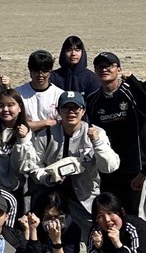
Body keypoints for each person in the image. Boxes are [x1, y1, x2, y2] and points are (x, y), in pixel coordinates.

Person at [25, 91, 120, 235]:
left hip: (85, 197)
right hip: (52, 198)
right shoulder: (46, 135)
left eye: (75, 108)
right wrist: (48, 177)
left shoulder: (96, 133)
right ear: (58, 111)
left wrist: (97, 143)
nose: (71, 112)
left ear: (83, 111)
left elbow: (109, 167)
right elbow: (34, 166)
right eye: (66, 108)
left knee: (93, 234)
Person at [85, 51, 146, 218]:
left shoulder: (131, 92)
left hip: (133, 169)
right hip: (108, 169)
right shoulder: (93, 100)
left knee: (135, 217)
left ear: (119, 69)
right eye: (100, 66)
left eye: (109, 66)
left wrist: (134, 81)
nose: (104, 69)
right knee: (110, 215)